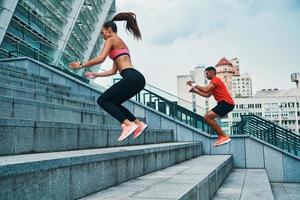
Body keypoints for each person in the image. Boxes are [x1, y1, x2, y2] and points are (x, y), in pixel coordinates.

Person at [69, 12, 148, 141]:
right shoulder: (121, 43)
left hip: (131, 77)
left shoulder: (111, 39)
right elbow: (114, 70)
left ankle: (127, 124)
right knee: (114, 102)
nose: (102, 36)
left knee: (102, 100)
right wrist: (97, 74)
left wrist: (82, 64)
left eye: (102, 33)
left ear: (109, 30)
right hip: (137, 78)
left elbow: (100, 58)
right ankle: (138, 124)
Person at [186, 66, 235, 146]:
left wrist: (193, 84)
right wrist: (195, 91)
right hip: (225, 104)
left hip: (226, 103)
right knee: (208, 118)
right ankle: (222, 136)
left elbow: (206, 89)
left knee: (207, 117)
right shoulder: (213, 83)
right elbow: (207, 94)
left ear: (211, 72)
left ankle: (223, 136)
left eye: (207, 73)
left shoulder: (215, 80)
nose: (206, 75)